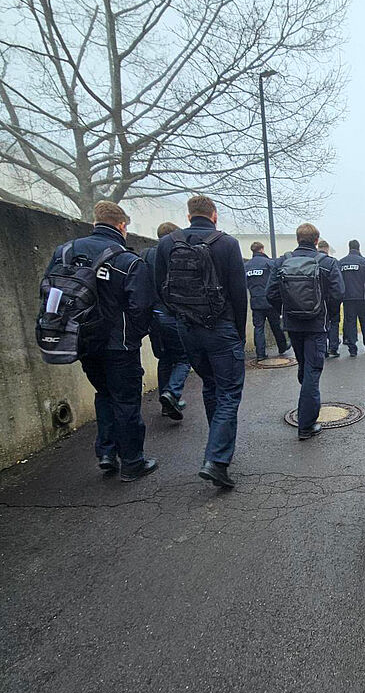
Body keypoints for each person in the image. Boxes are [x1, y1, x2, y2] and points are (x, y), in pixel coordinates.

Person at [43, 201, 156, 481]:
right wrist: (134, 335)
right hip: (119, 344)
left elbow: (49, 291)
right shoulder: (127, 261)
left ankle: (106, 452)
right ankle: (132, 462)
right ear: (122, 226)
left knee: (104, 394)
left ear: (95, 223)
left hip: (81, 340)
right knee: (126, 400)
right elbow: (142, 306)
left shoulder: (65, 252)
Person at [155, 195, 247, 488]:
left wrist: (180, 317)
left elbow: (160, 288)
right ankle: (216, 460)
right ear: (214, 215)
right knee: (229, 392)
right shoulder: (227, 244)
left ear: (189, 215)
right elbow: (238, 293)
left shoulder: (167, 244)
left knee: (210, 384)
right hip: (221, 328)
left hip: (187, 329)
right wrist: (239, 332)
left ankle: (216, 444)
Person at [267, 222, 344, 439]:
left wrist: (286, 311)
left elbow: (270, 294)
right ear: (316, 240)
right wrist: (328, 316)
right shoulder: (327, 263)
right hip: (316, 325)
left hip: (293, 325)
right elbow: (338, 294)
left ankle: (306, 403)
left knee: (304, 366)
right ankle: (306, 425)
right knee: (312, 371)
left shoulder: (282, 262)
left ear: (297, 239)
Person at [142, 222, 191, 421]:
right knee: (184, 358)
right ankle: (172, 393)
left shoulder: (145, 255)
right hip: (171, 314)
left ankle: (166, 402)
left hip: (153, 316)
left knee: (165, 358)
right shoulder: (174, 255)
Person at [245, 241, 290, 362]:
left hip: (255, 301)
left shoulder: (246, 266)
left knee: (258, 327)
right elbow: (276, 280)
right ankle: (282, 347)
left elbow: (245, 284)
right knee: (275, 325)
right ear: (262, 249)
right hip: (269, 300)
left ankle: (260, 353)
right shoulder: (269, 263)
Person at [339, 239, 365, 356]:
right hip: (362, 297)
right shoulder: (363, 262)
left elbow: (338, 281)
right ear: (359, 248)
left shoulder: (341, 263)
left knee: (350, 323)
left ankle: (352, 349)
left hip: (347, 298)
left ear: (349, 248)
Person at [317, 239, 342, 357]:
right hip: (331, 299)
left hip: (317, 300)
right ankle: (333, 347)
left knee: (321, 323)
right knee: (334, 322)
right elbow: (338, 284)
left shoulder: (312, 262)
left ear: (318, 248)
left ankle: (323, 349)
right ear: (327, 249)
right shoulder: (332, 262)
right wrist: (338, 300)